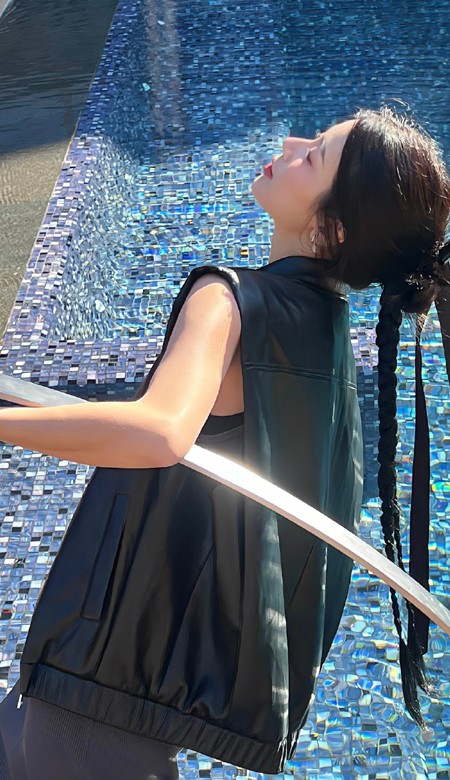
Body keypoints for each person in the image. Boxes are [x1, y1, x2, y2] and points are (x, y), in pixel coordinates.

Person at [0, 106, 449, 780]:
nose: (290, 143)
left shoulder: (228, 301)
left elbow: (158, 430)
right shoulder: (326, 329)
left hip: (95, 705)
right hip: (125, 690)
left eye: (314, 156)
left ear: (332, 227)